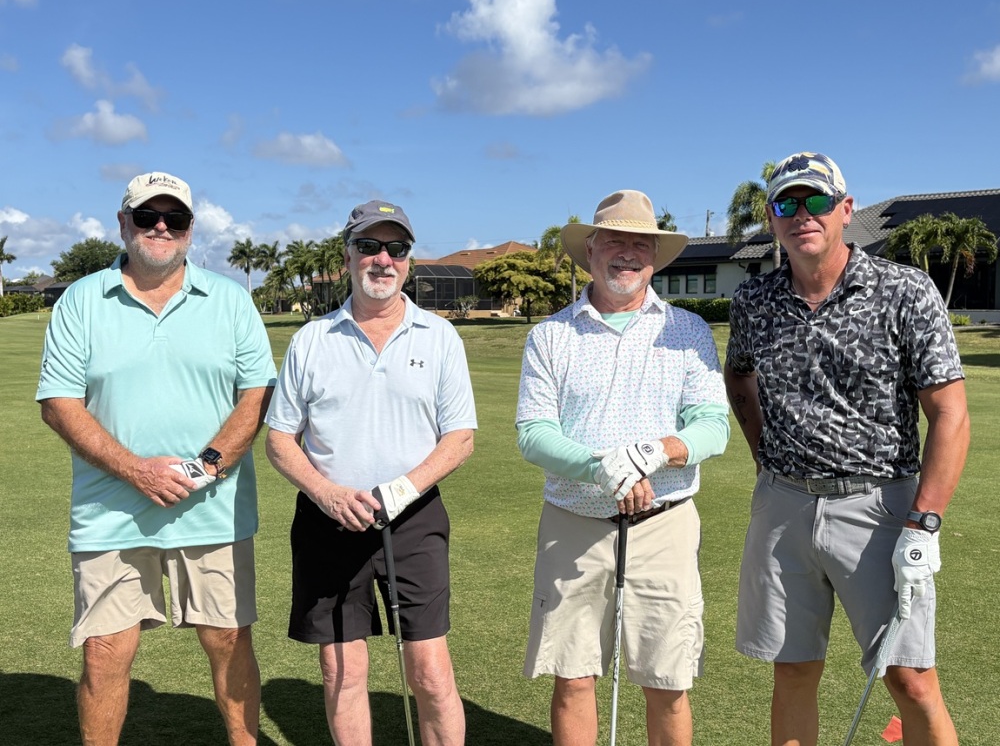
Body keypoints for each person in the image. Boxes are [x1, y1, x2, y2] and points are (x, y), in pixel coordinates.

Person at [725, 152, 968, 746]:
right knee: (793, 671)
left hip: (880, 507)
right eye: (786, 203)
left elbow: (950, 413)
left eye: (816, 200)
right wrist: (766, 458)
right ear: (771, 217)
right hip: (783, 507)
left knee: (911, 679)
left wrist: (924, 523)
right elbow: (740, 378)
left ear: (845, 209)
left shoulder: (904, 290)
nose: (802, 214)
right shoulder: (754, 300)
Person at [36, 171, 277, 746]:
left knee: (229, 641)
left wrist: (205, 466)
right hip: (111, 511)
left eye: (176, 218)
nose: (161, 227)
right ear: (124, 224)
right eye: (147, 216)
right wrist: (135, 470)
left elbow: (257, 395)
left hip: (213, 509)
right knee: (105, 650)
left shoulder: (230, 300)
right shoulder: (81, 300)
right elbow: (59, 403)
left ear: (191, 228)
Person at [516, 190, 731, 745]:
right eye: (615, 241)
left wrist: (656, 452)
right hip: (573, 523)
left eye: (641, 243)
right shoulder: (550, 335)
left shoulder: (688, 330)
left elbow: (713, 425)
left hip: (664, 524)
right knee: (573, 677)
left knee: (667, 680)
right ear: (591, 249)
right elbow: (534, 433)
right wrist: (603, 467)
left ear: (655, 257)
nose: (628, 253)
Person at [264, 200, 477, 746]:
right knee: (342, 672)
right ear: (347, 255)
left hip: (415, 518)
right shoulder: (312, 339)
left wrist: (401, 490)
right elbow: (280, 440)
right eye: (369, 246)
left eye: (396, 248)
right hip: (329, 519)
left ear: (408, 260)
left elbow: (460, 438)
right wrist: (327, 493)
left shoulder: (439, 337)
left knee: (430, 672)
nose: (383, 259)